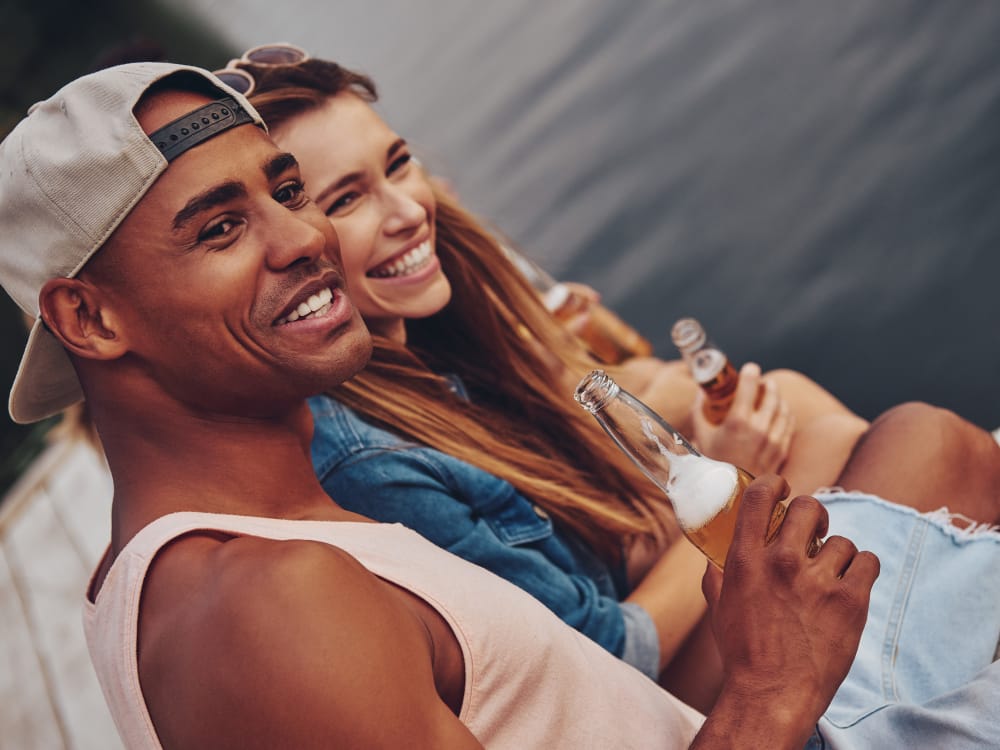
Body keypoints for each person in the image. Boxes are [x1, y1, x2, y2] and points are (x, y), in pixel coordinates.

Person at [1, 60, 997, 750]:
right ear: (88, 317)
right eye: (221, 227)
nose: (303, 239)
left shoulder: (274, 538)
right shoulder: (264, 608)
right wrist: (773, 688)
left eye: (285, 190)